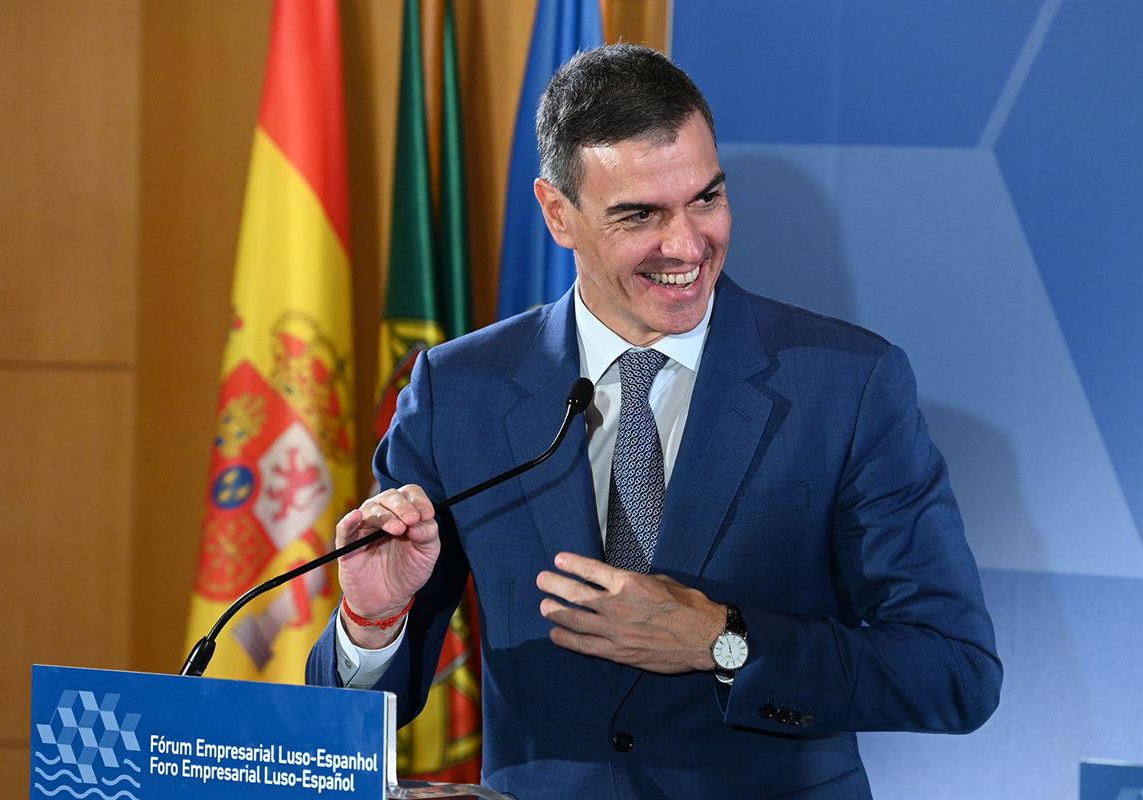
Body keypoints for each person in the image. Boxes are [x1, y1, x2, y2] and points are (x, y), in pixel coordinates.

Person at [307, 44, 1001, 799]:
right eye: (640, 214)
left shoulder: (846, 384)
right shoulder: (460, 389)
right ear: (557, 213)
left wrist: (722, 641)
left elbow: (952, 669)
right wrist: (372, 621)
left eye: (706, 198)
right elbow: (346, 717)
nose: (686, 245)